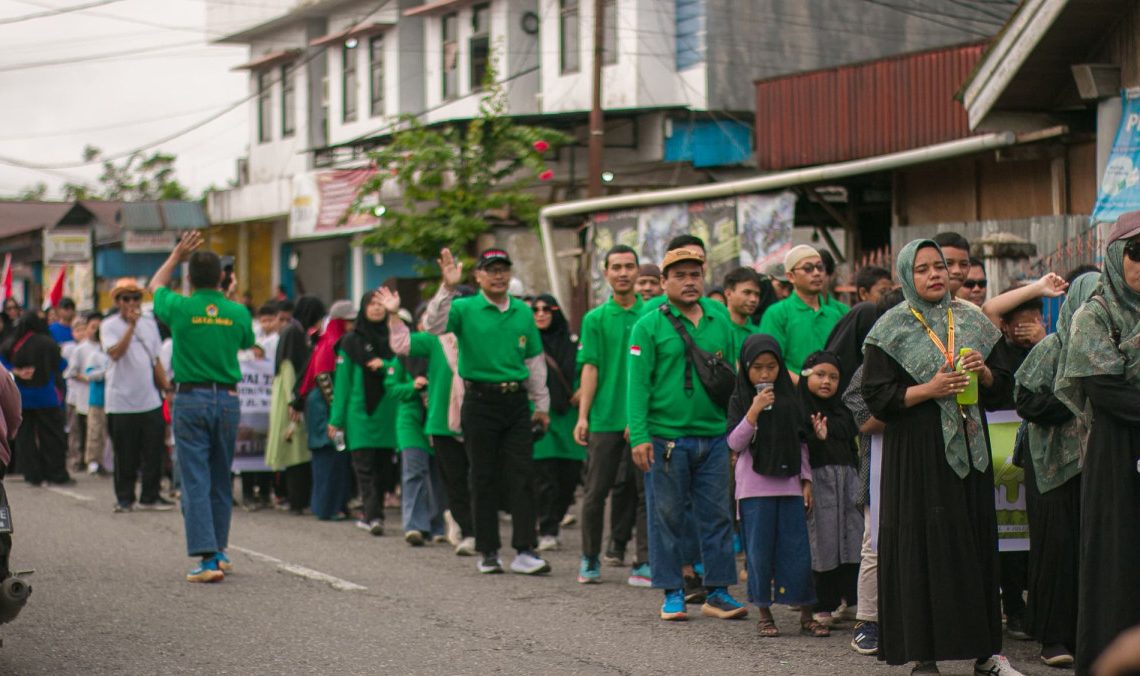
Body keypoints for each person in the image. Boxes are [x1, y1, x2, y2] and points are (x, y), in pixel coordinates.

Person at [862, 239, 1021, 675]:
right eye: (923, 269)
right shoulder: (890, 329)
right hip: (917, 455)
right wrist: (928, 390)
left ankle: (986, 655)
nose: (934, 274)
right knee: (924, 546)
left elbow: (1005, 385)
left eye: (940, 267)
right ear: (905, 275)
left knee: (974, 543)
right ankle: (925, 657)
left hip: (971, 451)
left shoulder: (972, 320)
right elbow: (876, 398)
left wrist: (985, 374)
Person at [628, 245, 746, 622]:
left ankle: (718, 591)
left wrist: (734, 433)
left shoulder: (719, 320)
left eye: (695, 274)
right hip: (666, 439)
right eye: (679, 275)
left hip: (713, 437)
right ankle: (673, 591)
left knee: (718, 516)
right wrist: (639, 436)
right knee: (667, 517)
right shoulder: (648, 325)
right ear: (663, 282)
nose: (689, 281)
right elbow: (637, 385)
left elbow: (732, 382)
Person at [422, 247, 552, 576]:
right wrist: (447, 287)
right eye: (491, 270)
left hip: (515, 401)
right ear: (478, 276)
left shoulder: (522, 312)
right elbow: (432, 326)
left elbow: (534, 361)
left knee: (522, 475)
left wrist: (542, 405)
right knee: (482, 475)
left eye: (503, 269)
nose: (498, 276)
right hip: (479, 400)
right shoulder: (463, 307)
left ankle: (525, 549)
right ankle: (488, 551)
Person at [1054, 212, 1140, 676]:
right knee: (1118, 554)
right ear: (1115, 256)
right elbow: (1104, 390)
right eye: (1137, 252)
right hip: (1119, 449)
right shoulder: (1096, 313)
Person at [149, 231, 255, 583]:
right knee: (221, 477)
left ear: (190, 278)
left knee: (195, 478)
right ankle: (220, 551)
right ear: (223, 277)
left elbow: (154, 285)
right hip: (227, 400)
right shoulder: (237, 311)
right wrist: (228, 298)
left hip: (191, 399)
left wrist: (175, 255)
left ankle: (207, 558)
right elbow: (247, 339)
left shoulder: (180, 307)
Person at [1013, 272, 1099, 668]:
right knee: (1056, 547)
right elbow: (1026, 401)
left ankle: (1089, 633)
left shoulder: (1108, 347)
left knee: (1092, 546)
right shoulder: (1053, 346)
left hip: (1096, 461)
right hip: (1050, 464)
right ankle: (1053, 636)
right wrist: (1076, 401)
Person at [727, 334, 823, 637]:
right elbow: (735, 442)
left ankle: (806, 613)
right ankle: (764, 614)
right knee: (759, 555)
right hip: (754, 491)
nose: (765, 374)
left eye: (771, 366)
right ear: (746, 369)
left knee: (798, 553)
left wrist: (806, 481)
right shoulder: (741, 399)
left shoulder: (791, 399)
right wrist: (754, 411)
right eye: (757, 368)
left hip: (789, 486)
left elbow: (801, 442)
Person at [574, 245, 650, 586]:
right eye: (616, 267)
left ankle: (644, 560)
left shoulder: (653, 314)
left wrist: (642, 417)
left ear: (637, 271)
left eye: (629, 266)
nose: (623, 273)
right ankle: (590, 556)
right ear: (605, 273)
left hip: (643, 419)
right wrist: (583, 416)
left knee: (646, 494)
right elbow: (590, 368)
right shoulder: (595, 319)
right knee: (595, 493)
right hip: (605, 418)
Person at [381, 286, 476, 556]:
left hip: (471, 416)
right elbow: (400, 347)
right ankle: (424, 526)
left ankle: (450, 524)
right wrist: (393, 314)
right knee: (429, 474)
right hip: (426, 420)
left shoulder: (475, 339)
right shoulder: (431, 342)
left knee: (462, 477)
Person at [796, 351, 861, 627]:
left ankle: (851, 599)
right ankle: (823, 603)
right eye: (820, 375)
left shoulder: (843, 410)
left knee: (852, 539)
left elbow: (850, 440)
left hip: (848, 481)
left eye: (833, 377)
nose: (827, 382)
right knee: (823, 541)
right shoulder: (800, 410)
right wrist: (816, 437)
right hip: (819, 481)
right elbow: (799, 446)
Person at [328, 292, 398, 536]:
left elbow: (405, 366)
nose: (376, 308)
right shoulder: (350, 342)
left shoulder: (395, 338)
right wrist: (336, 419)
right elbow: (343, 384)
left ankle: (374, 513)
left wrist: (386, 365)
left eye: (380, 304)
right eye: (371, 304)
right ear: (363, 308)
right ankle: (373, 515)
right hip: (359, 414)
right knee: (364, 467)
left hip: (388, 412)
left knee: (384, 468)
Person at [101, 279, 173, 513]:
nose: (132, 303)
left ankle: (150, 495)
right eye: (126, 298)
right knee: (125, 453)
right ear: (118, 302)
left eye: (136, 298)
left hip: (149, 398)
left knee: (154, 450)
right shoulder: (109, 325)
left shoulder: (150, 323)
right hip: (120, 402)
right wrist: (131, 327)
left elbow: (156, 358)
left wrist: (166, 389)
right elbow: (115, 354)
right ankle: (125, 498)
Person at [528, 294, 583, 553]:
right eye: (535, 310)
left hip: (569, 415)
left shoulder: (573, 343)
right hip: (541, 415)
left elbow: (584, 369)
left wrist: (582, 390)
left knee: (569, 477)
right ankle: (547, 528)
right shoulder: (528, 343)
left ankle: (555, 520)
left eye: (546, 309)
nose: (540, 314)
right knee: (545, 476)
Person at [265, 296, 324, 514]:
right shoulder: (294, 333)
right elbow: (289, 368)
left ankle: (296, 498)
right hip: (289, 396)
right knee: (295, 449)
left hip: (289, 395)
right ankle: (296, 499)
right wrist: (295, 401)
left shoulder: (295, 331)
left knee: (296, 449)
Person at [386, 340, 447, 546]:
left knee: (439, 476)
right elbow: (391, 388)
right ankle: (414, 525)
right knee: (414, 472)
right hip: (410, 422)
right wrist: (412, 386)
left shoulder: (442, 354)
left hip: (437, 419)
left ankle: (437, 525)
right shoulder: (403, 357)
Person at [759, 244, 850, 378]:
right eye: (808, 268)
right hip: (791, 389)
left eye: (820, 267)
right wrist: (803, 385)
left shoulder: (835, 315)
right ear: (791, 276)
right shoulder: (777, 314)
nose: (816, 273)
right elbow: (771, 362)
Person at [301, 300, 355, 521]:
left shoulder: (333, 341)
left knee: (337, 458)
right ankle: (327, 507)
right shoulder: (330, 343)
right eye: (349, 321)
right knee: (328, 457)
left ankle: (337, 504)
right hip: (324, 405)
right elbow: (323, 377)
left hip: (328, 405)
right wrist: (336, 412)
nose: (353, 325)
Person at [2, 311, 68, 485]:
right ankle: (55, 473)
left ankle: (31, 474)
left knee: (25, 437)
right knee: (52, 436)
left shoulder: (11, 343)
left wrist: (17, 371)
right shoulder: (48, 343)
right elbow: (62, 365)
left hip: (22, 397)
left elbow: (3, 365)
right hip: (46, 396)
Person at [722, 267, 761, 366]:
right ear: (728, 294)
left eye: (757, 294)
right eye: (747, 292)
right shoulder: (717, 328)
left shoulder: (758, 334)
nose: (753, 299)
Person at [933, 231, 973, 297]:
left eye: (963, 264)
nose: (957, 271)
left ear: (969, 267)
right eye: (948, 263)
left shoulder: (969, 305)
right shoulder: (915, 304)